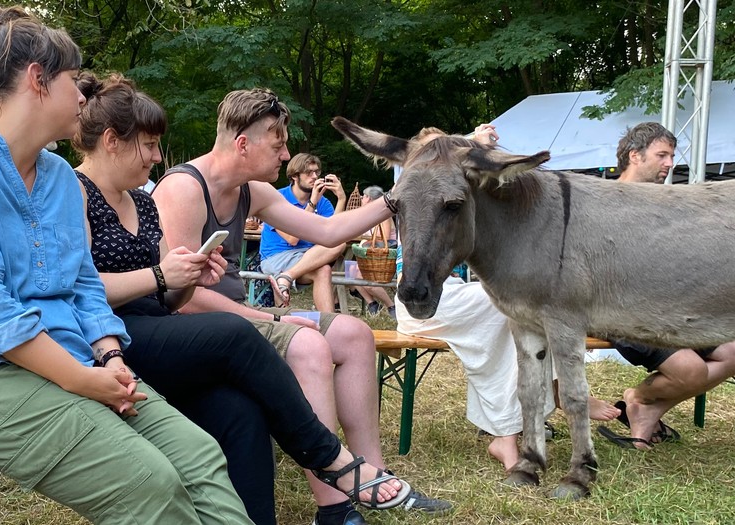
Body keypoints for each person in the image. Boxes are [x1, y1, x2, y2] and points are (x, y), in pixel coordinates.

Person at [0, 8, 253, 524]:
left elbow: (83, 284)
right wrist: (82, 381)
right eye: (71, 82)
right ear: (38, 80)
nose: (83, 98)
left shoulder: (61, 177)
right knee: (146, 483)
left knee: (199, 457)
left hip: (74, 362)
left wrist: (108, 357)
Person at [71, 71, 420, 525]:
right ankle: (332, 464)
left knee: (244, 414)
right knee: (245, 334)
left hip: (161, 326)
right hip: (111, 337)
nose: (158, 157)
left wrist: (188, 275)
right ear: (114, 141)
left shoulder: (140, 200)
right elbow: (78, 287)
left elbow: (172, 296)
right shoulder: (80, 191)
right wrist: (165, 277)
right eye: (151, 145)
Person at [152, 88, 451, 525]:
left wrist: (395, 198)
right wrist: (270, 317)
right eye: (278, 144)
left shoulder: (250, 191)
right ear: (242, 144)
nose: (286, 153)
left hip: (243, 316)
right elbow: (184, 297)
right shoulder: (183, 189)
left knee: (354, 333)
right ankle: (333, 510)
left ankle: (371, 476)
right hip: (207, 327)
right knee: (307, 343)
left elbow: (328, 232)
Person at [395, 124, 621, 471]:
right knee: (514, 306)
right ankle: (521, 422)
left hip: (449, 294)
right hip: (424, 297)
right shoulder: (414, 190)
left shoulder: (455, 191)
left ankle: (527, 413)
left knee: (517, 306)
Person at [598, 122, 735, 450]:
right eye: (662, 155)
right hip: (618, 311)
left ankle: (644, 408)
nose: (670, 163)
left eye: (672, 155)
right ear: (634, 156)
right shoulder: (603, 204)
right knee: (691, 371)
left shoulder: (667, 203)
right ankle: (638, 401)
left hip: (670, 309)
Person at [259, 153, 347, 312]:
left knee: (332, 257)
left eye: (317, 172)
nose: (314, 177)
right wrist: (312, 203)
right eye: (309, 173)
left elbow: (335, 235)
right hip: (278, 256)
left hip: (305, 257)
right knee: (325, 265)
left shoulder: (323, 202)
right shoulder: (277, 198)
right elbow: (292, 238)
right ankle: (286, 277)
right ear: (294, 176)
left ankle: (329, 324)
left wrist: (341, 198)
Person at [350, 185, 396, 318]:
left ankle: (390, 305)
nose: (361, 199)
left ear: (369, 198)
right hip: (371, 253)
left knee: (362, 275)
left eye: (363, 196)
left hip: (384, 254)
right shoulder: (367, 215)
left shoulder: (384, 214)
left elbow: (385, 238)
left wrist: (366, 241)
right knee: (351, 271)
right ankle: (372, 303)